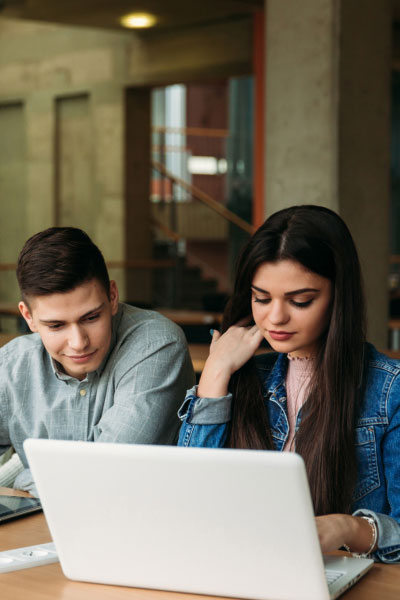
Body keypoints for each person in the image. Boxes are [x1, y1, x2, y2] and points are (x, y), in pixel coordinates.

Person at [178, 205, 400, 564]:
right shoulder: (246, 377)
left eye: (300, 301)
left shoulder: (389, 391)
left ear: (338, 298)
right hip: (237, 569)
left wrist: (345, 528)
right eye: (261, 298)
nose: (275, 317)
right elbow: (187, 499)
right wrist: (215, 373)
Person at [0, 227, 194, 495]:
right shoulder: (12, 364)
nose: (78, 342)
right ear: (28, 317)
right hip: (40, 531)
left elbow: (104, 474)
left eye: (91, 318)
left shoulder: (157, 344)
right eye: (56, 325)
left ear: (112, 297)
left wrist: (23, 476)